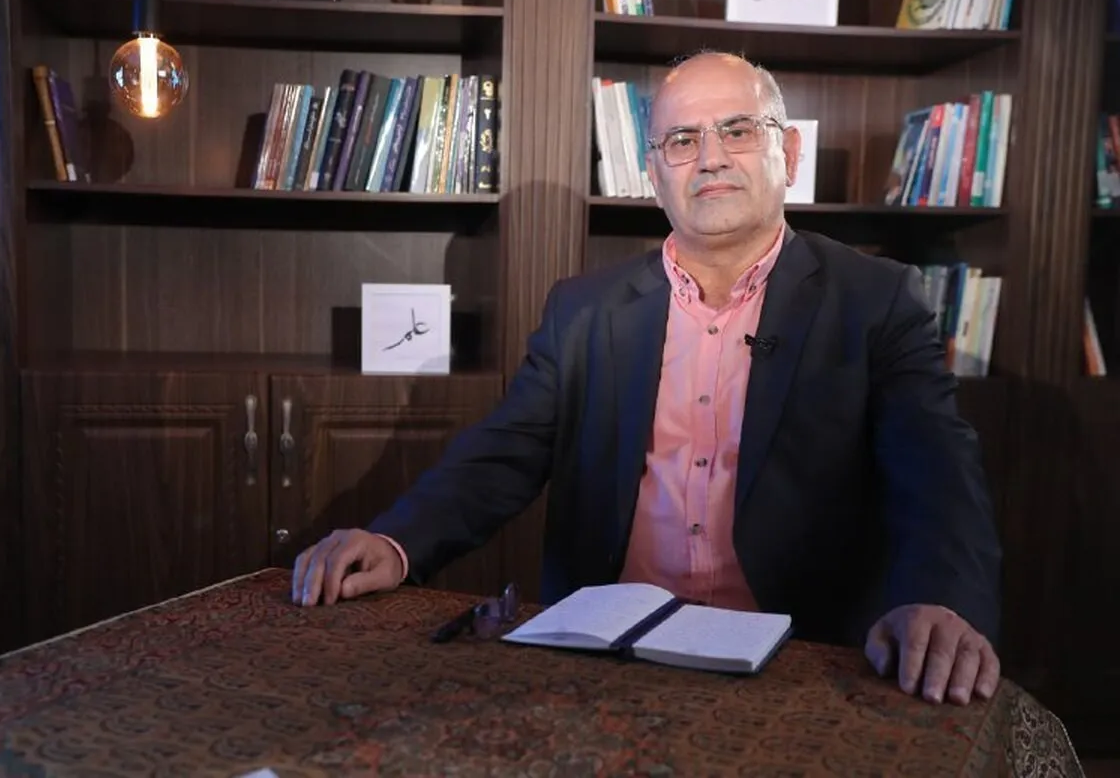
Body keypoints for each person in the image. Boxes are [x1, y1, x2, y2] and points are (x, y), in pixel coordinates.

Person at [291, 51, 1002, 707]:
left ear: (788, 152)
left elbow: (937, 471)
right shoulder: (584, 309)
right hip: (608, 655)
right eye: (682, 140)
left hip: (800, 658)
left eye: (738, 131)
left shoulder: (876, 299)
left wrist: (942, 599)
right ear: (654, 173)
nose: (711, 158)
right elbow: (505, 452)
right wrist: (397, 542)